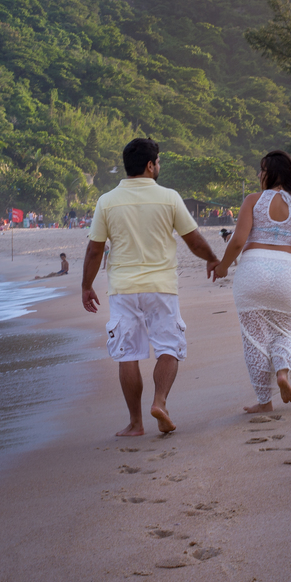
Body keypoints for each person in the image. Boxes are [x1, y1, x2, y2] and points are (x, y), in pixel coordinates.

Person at [81, 137, 219, 437]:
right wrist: (212, 259)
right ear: (149, 165)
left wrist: (86, 286)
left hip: (123, 288)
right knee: (169, 348)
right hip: (161, 287)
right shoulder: (169, 197)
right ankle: (160, 402)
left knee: (127, 355)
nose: (159, 166)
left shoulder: (107, 201)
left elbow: (94, 250)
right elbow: (193, 240)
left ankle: (136, 423)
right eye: (158, 162)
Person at [212, 150, 291, 413]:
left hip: (253, 270)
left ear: (271, 173)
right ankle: (282, 374)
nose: (258, 175)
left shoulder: (253, 200)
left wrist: (222, 267)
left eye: (261, 169)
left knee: (254, 337)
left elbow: (237, 241)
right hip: (288, 270)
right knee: (283, 330)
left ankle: (264, 401)